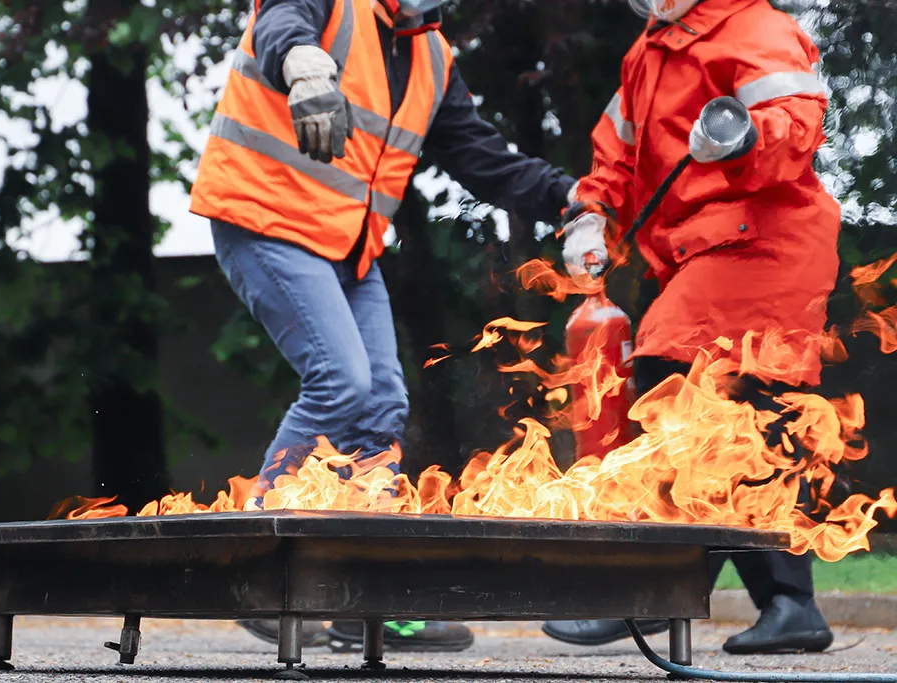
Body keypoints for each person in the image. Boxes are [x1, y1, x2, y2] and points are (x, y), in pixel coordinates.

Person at [188, 0, 577, 653]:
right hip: (266, 218)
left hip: (346, 242)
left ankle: (367, 598)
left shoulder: (432, 57)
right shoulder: (331, 7)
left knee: (381, 404)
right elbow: (280, 22)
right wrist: (304, 63)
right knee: (339, 380)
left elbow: (482, 158)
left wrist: (566, 196)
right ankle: (256, 566)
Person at [540, 0, 838, 655]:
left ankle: (654, 588)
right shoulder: (651, 49)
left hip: (764, 242)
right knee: (741, 421)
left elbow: (799, 123)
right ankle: (789, 604)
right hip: (712, 246)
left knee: (672, 378)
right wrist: (589, 213)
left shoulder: (754, 27)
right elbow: (618, 148)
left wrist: (748, 136)